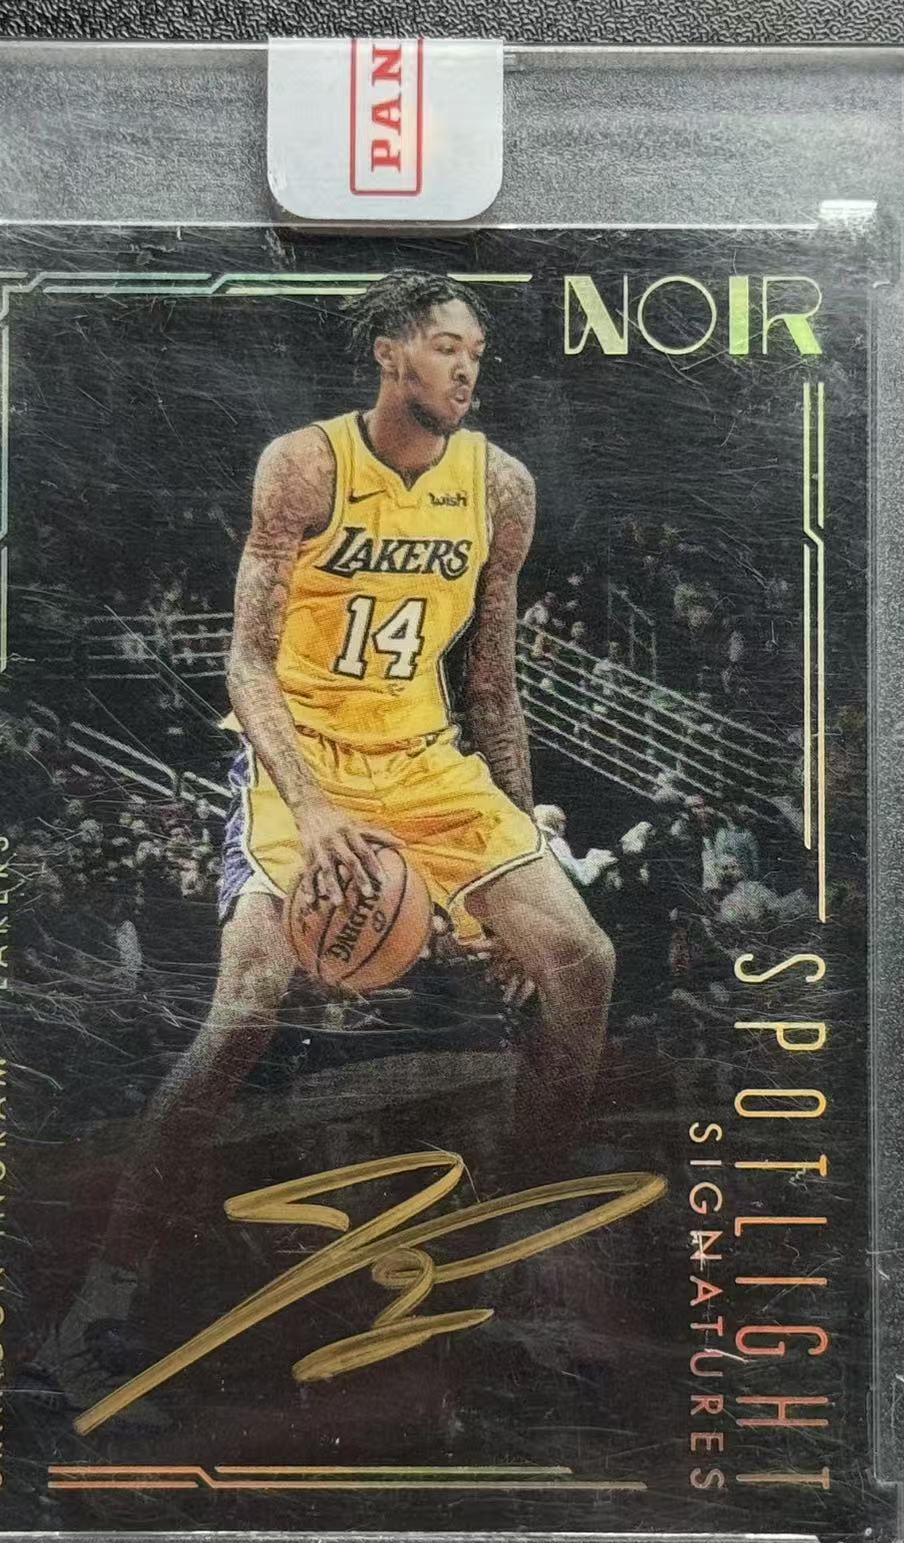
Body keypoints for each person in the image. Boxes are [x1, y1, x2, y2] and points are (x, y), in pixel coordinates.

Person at [48, 271, 617, 1409]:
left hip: (424, 761)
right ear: (389, 353)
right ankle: (102, 1300)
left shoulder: (500, 486)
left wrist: (523, 823)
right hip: (301, 759)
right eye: (446, 346)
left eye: (476, 352)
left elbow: (491, 682)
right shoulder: (305, 465)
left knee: (581, 962)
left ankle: (513, 1275)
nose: (466, 368)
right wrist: (308, 806)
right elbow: (246, 661)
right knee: (245, 1008)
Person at [534, 803, 617, 888]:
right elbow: (581, 877)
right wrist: (597, 860)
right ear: (555, 822)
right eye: (563, 822)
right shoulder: (555, 842)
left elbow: (569, 866)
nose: (564, 828)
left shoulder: (536, 840)